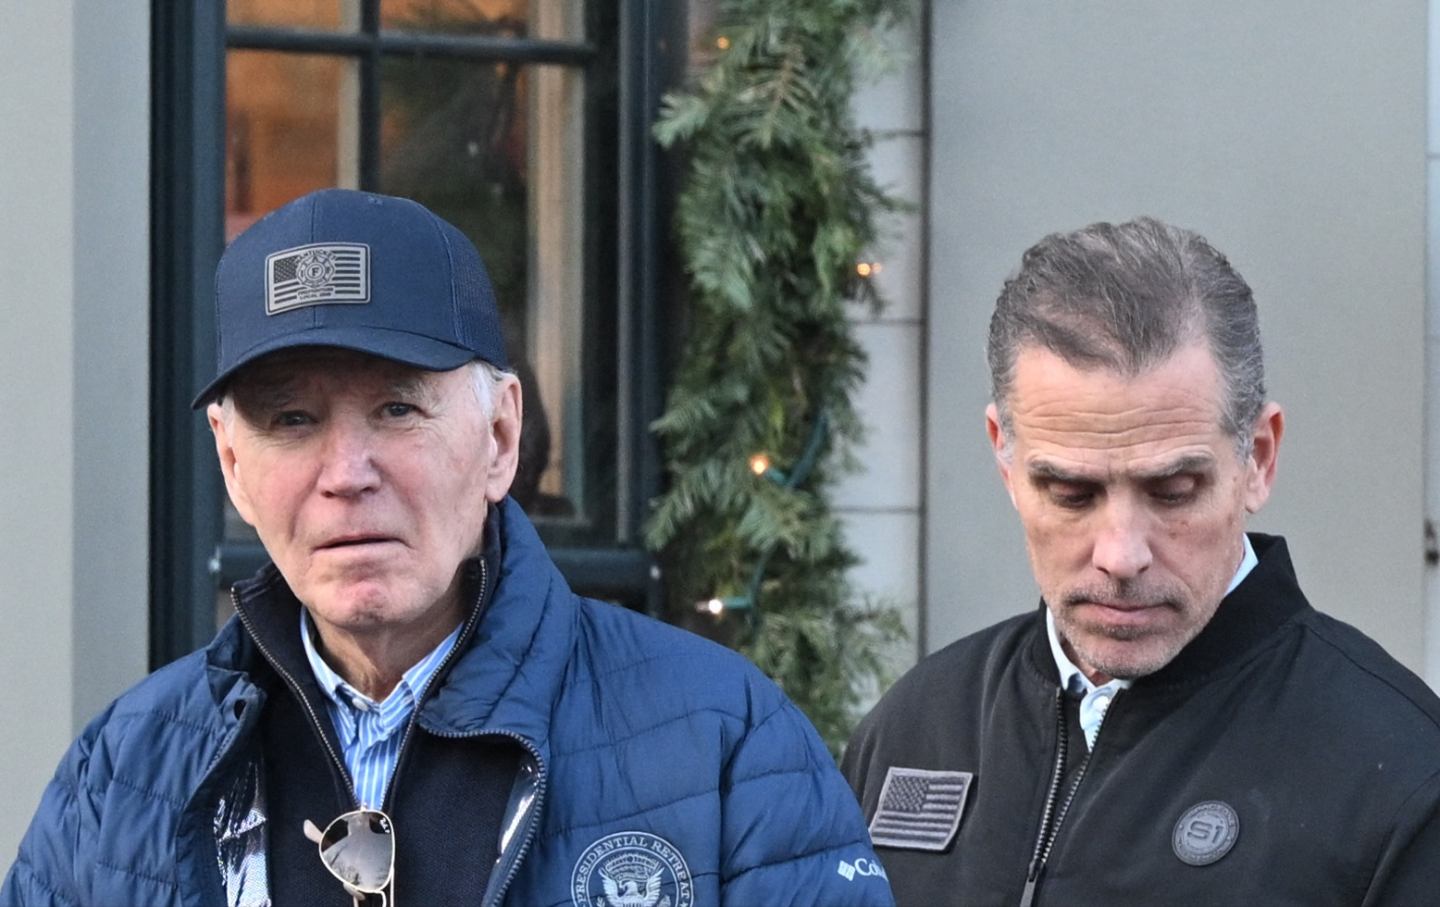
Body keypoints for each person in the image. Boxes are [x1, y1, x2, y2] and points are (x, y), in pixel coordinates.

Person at [2, 189, 894, 907]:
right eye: (291, 419)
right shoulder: (124, 775)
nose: (345, 472)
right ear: (232, 463)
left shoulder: (724, 745)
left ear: (500, 436)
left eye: (397, 407)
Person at [842, 217, 1440, 906]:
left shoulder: (1398, 772)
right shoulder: (919, 724)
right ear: (1003, 457)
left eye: (1172, 491)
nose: (1120, 554)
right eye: (1070, 492)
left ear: (1259, 458)